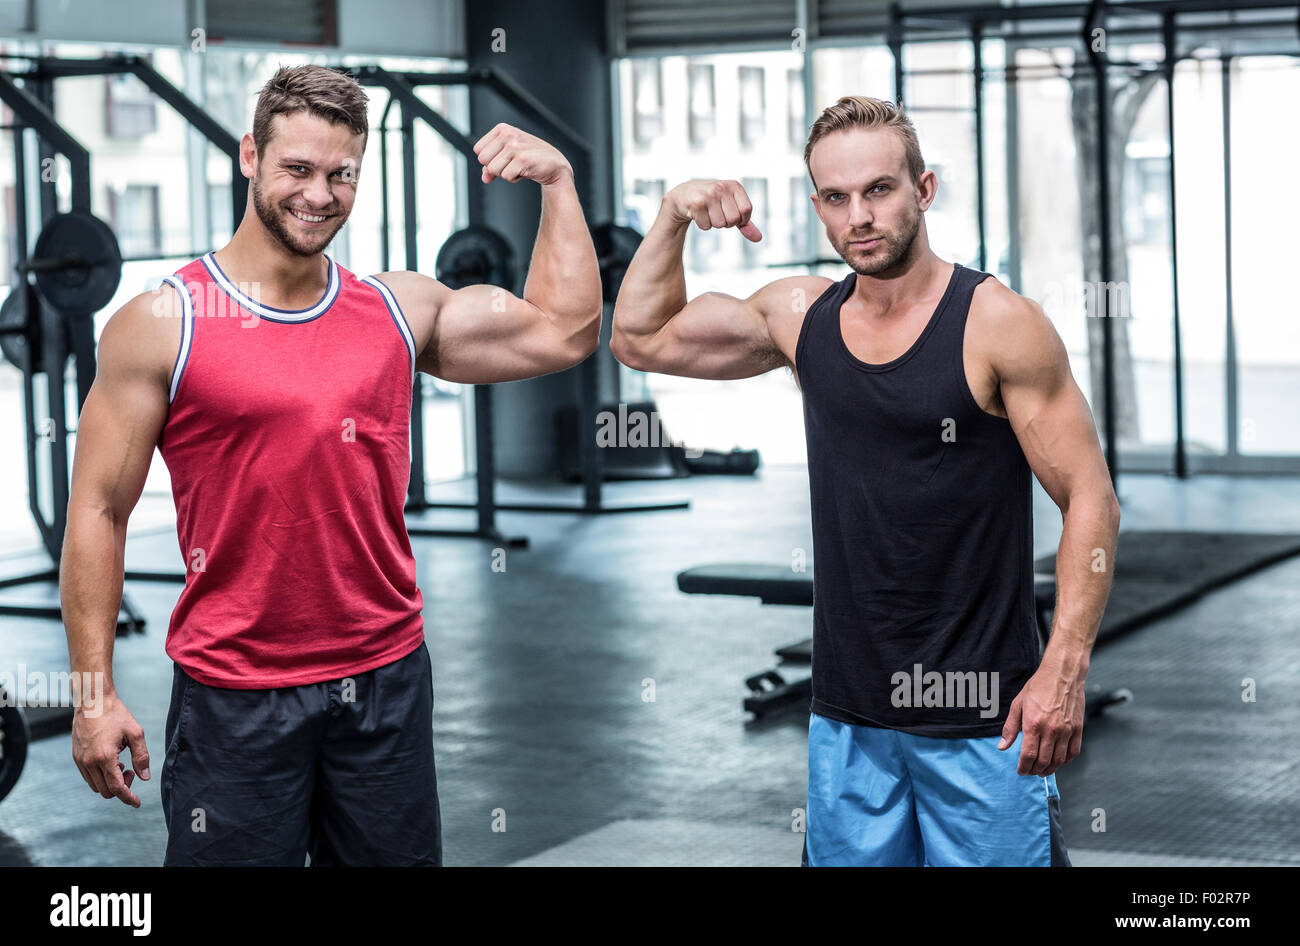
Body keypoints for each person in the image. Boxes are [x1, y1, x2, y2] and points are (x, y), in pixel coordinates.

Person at [61, 64, 602, 866]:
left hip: (384, 683)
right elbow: (97, 510)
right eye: (298, 169)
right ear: (250, 156)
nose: (320, 194)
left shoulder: (396, 309)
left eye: (341, 174)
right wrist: (92, 695)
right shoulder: (162, 322)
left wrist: (558, 183)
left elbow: (566, 331)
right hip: (234, 695)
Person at [610, 95, 1120, 866]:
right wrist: (674, 214)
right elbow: (638, 338)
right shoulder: (801, 315)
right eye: (837, 197)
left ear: (924, 188)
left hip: (982, 714)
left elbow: (1092, 498)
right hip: (848, 716)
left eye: (879, 189)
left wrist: (1065, 667)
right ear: (817, 204)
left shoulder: (996, 322)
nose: (860, 216)